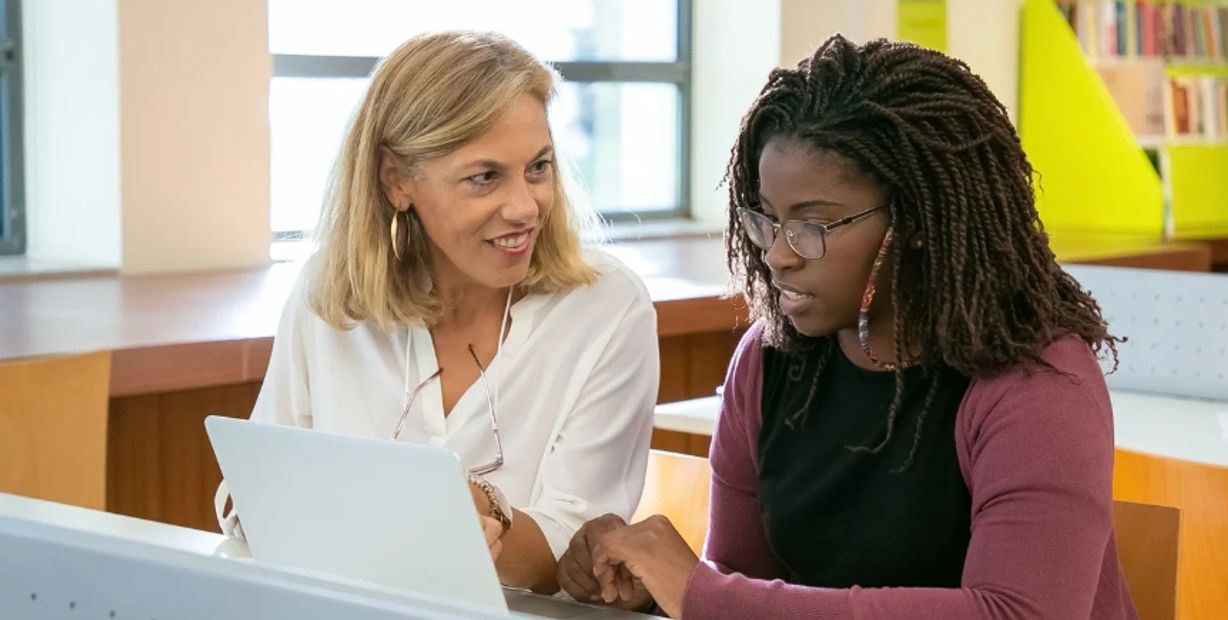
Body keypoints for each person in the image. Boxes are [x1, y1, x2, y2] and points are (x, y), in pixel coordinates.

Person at [557, 35, 1138, 618]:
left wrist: (699, 592)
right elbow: (741, 589)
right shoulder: (767, 360)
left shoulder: (1036, 381)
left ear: (915, 218)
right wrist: (655, 593)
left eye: (813, 225)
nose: (777, 256)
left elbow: (1019, 613)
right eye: (766, 219)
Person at [215, 31, 659, 594]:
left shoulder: (607, 308)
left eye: (539, 167)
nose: (525, 206)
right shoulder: (330, 294)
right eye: (484, 177)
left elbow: (575, 560)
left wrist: (484, 518)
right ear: (397, 179)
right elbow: (250, 497)